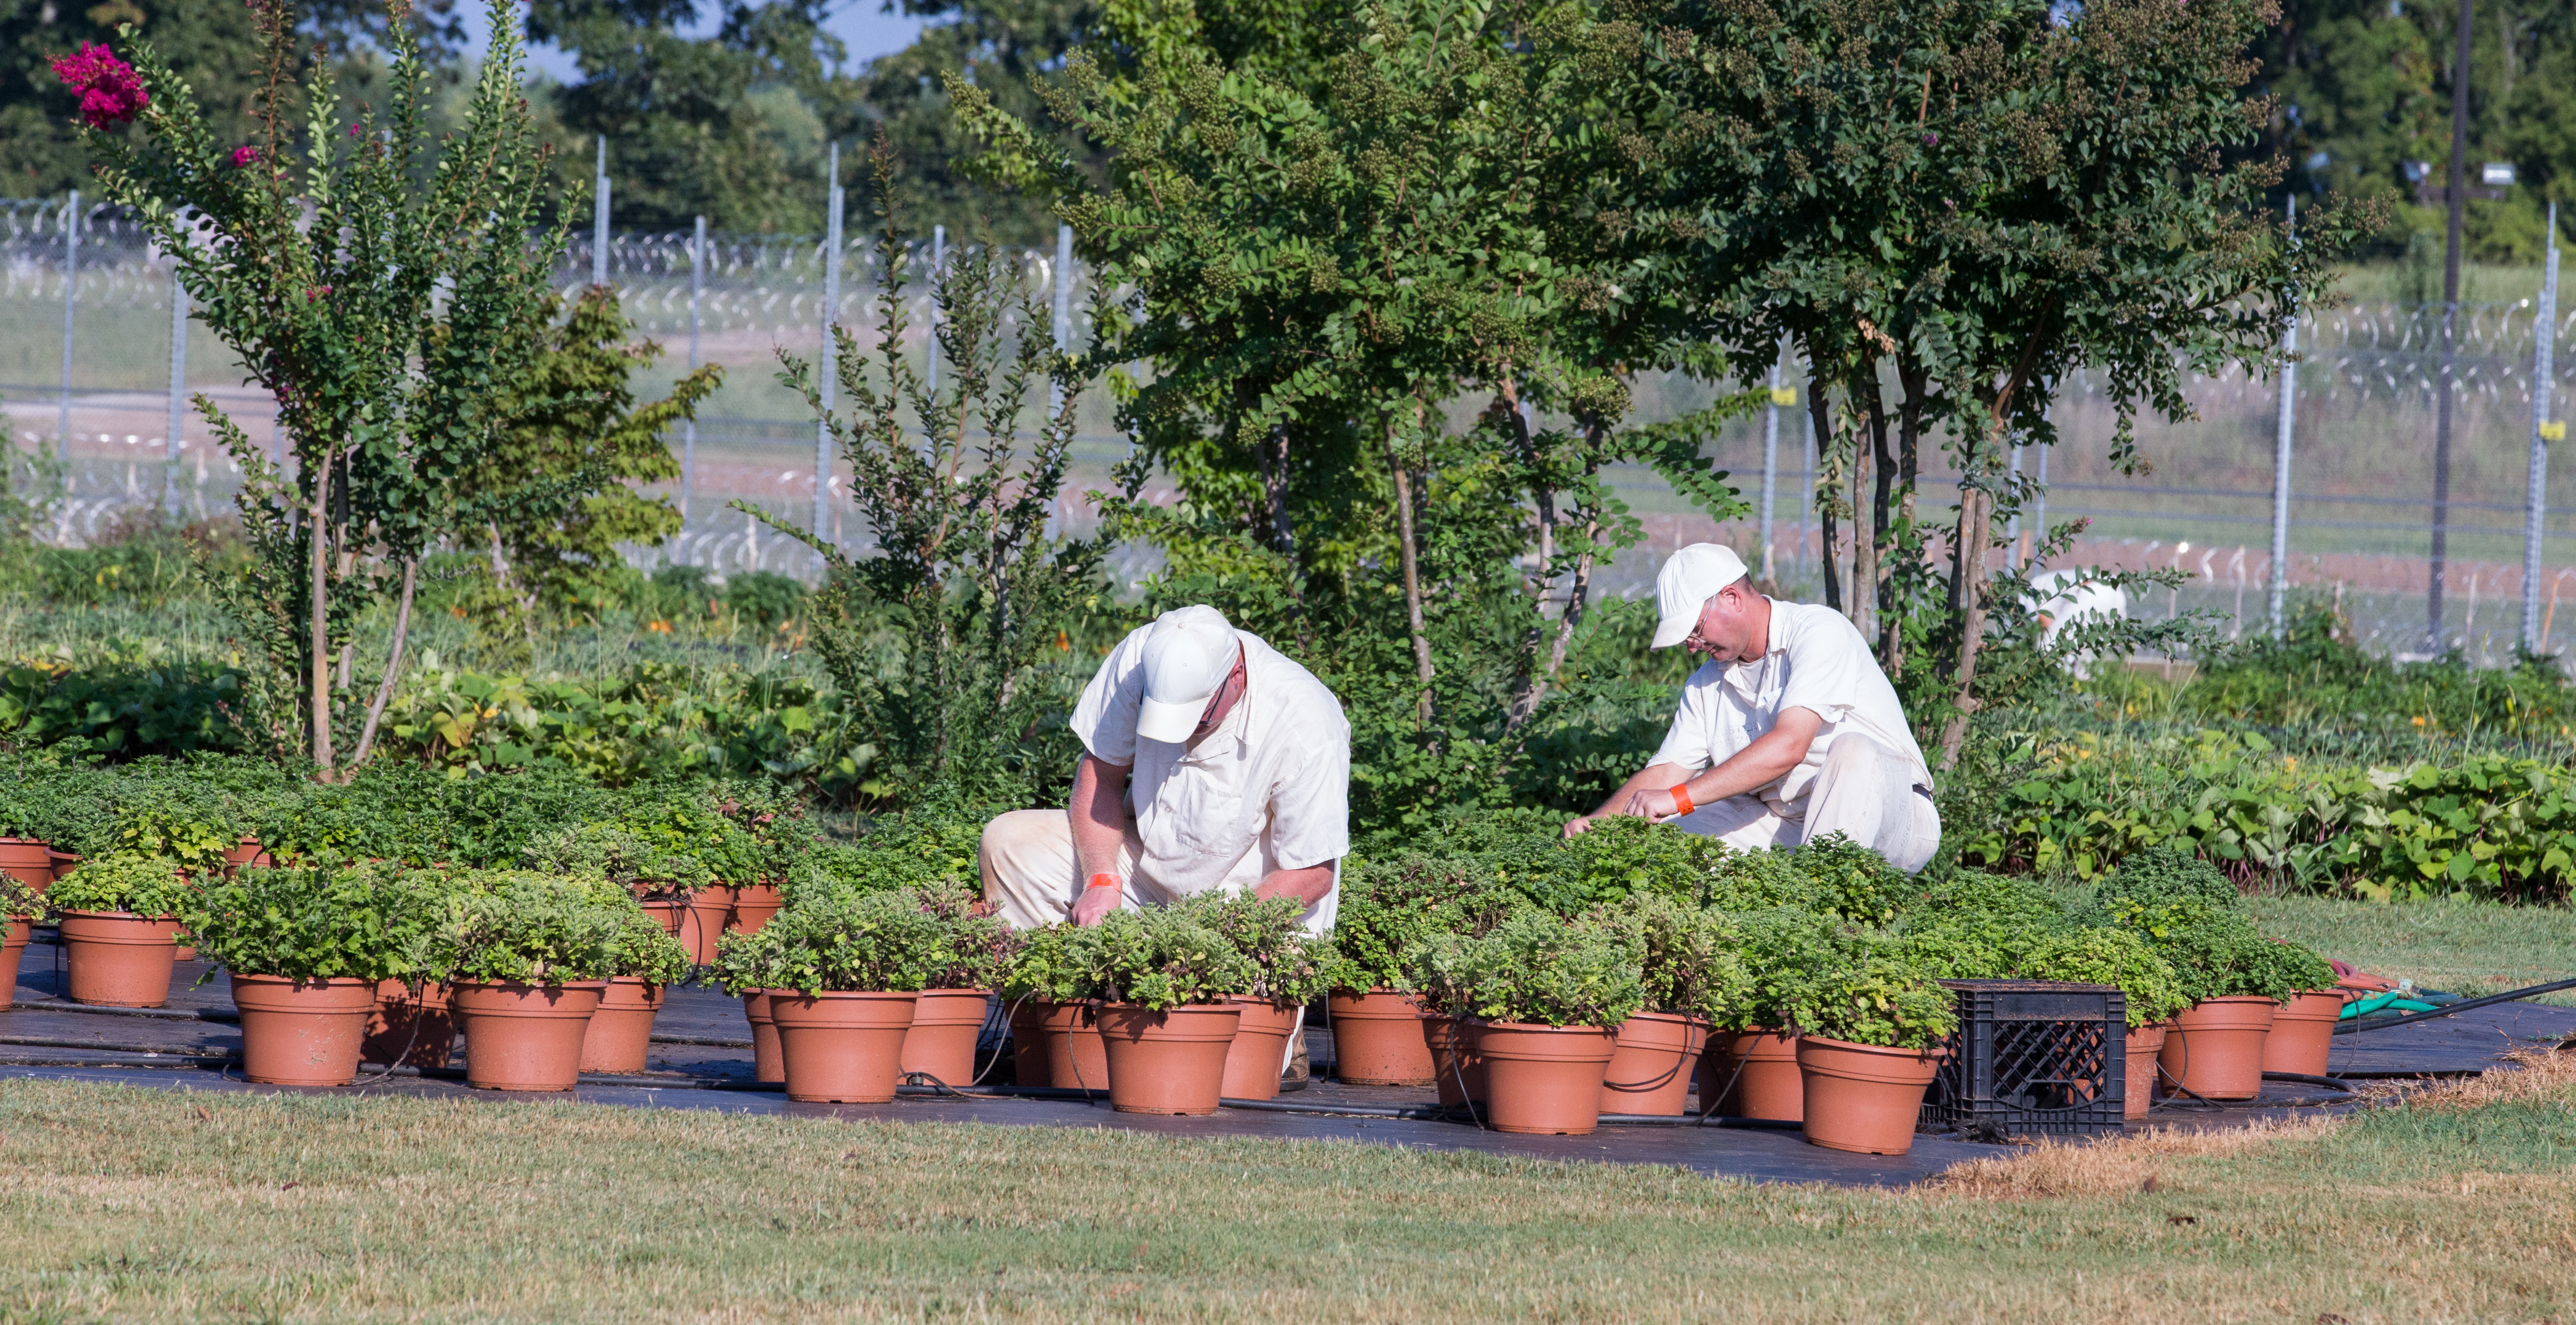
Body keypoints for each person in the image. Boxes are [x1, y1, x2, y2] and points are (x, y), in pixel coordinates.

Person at [1566, 543, 1940, 873]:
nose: (1692, 646)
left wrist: (1678, 799)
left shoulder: (1818, 631)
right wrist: (1599, 825)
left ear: (1731, 597)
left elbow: (1789, 746)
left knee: (1853, 751)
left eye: (1695, 630)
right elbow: (1666, 774)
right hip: (1789, 821)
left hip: (1895, 817)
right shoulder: (1705, 683)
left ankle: (1817, 921)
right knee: (1654, 845)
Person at [979, 604, 1351, 935]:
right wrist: (1101, 881)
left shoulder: (1307, 723)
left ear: (1235, 674)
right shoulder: (1140, 661)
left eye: (1199, 716)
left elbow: (1312, 875)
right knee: (1008, 842)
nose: (1183, 730)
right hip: (1144, 869)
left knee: (1219, 1007)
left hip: (1252, 903)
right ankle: (1065, 997)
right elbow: (1101, 776)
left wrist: (1207, 937)